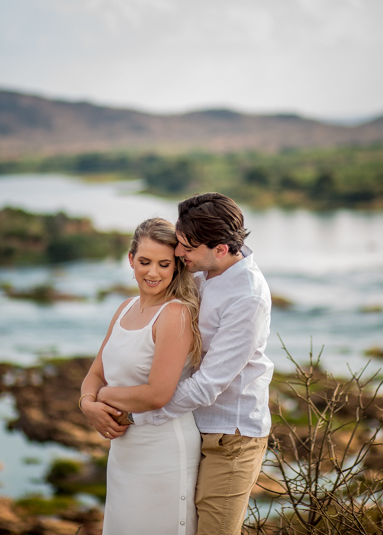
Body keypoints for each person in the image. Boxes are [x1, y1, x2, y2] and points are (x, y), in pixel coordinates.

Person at [98, 192, 273, 535]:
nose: (178, 253)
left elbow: (207, 384)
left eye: (187, 247)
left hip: (229, 437)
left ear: (220, 249)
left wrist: (136, 414)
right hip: (188, 427)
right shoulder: (201, 272)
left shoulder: (247, 297)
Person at [79, 217, 203, 535]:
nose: (153, 273)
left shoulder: (175, 314)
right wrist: (87, 404)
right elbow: (96, 371)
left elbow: (157, 394)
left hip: (164, 450)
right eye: (145, 262)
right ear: (131, 259)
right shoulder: (125, 307)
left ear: (176, 266)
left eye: (164, 264)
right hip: (124, 450)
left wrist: (103, 396)